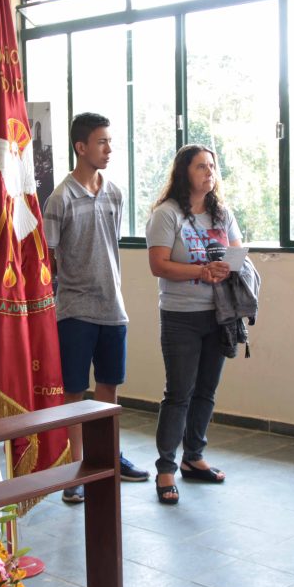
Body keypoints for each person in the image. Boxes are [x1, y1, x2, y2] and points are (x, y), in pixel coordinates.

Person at [43, 112, 149, 504]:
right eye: (101, 142)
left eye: (109, 141)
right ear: (81, 147)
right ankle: (77, 467)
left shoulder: (115, 193)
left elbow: (109, 246)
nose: (108, 149)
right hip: (73, 308)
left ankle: (109, 456)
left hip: (112, 307)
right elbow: (48, 258)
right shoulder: (60, 198)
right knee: (74, 390)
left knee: (109, 388)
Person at [145, 144, 240, 505]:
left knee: (206, 391)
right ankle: (166, 468)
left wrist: (226, 266)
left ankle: (193, 457)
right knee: (179, 393)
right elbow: (159, 265)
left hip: (218, 314)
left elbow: (237, 254)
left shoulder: (222, 213)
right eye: (201, 166)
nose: (209, 172)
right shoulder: (167, 215)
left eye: (212, 166)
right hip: (180, 317)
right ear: (184, 172)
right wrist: (202, 271)